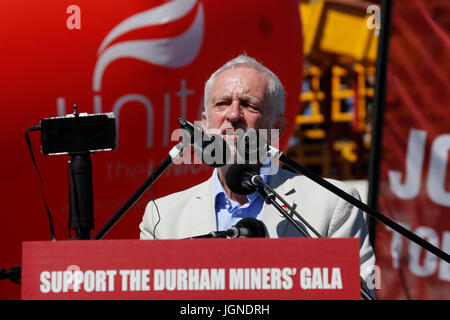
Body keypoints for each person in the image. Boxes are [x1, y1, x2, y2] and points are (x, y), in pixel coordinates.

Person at [139, 54, 376, 295]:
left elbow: (361, 293)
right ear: (204, 123)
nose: (233, 115)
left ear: (277, 127)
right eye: (221, 103)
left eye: (249, 105)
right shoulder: (162, 218)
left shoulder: (333, 203)